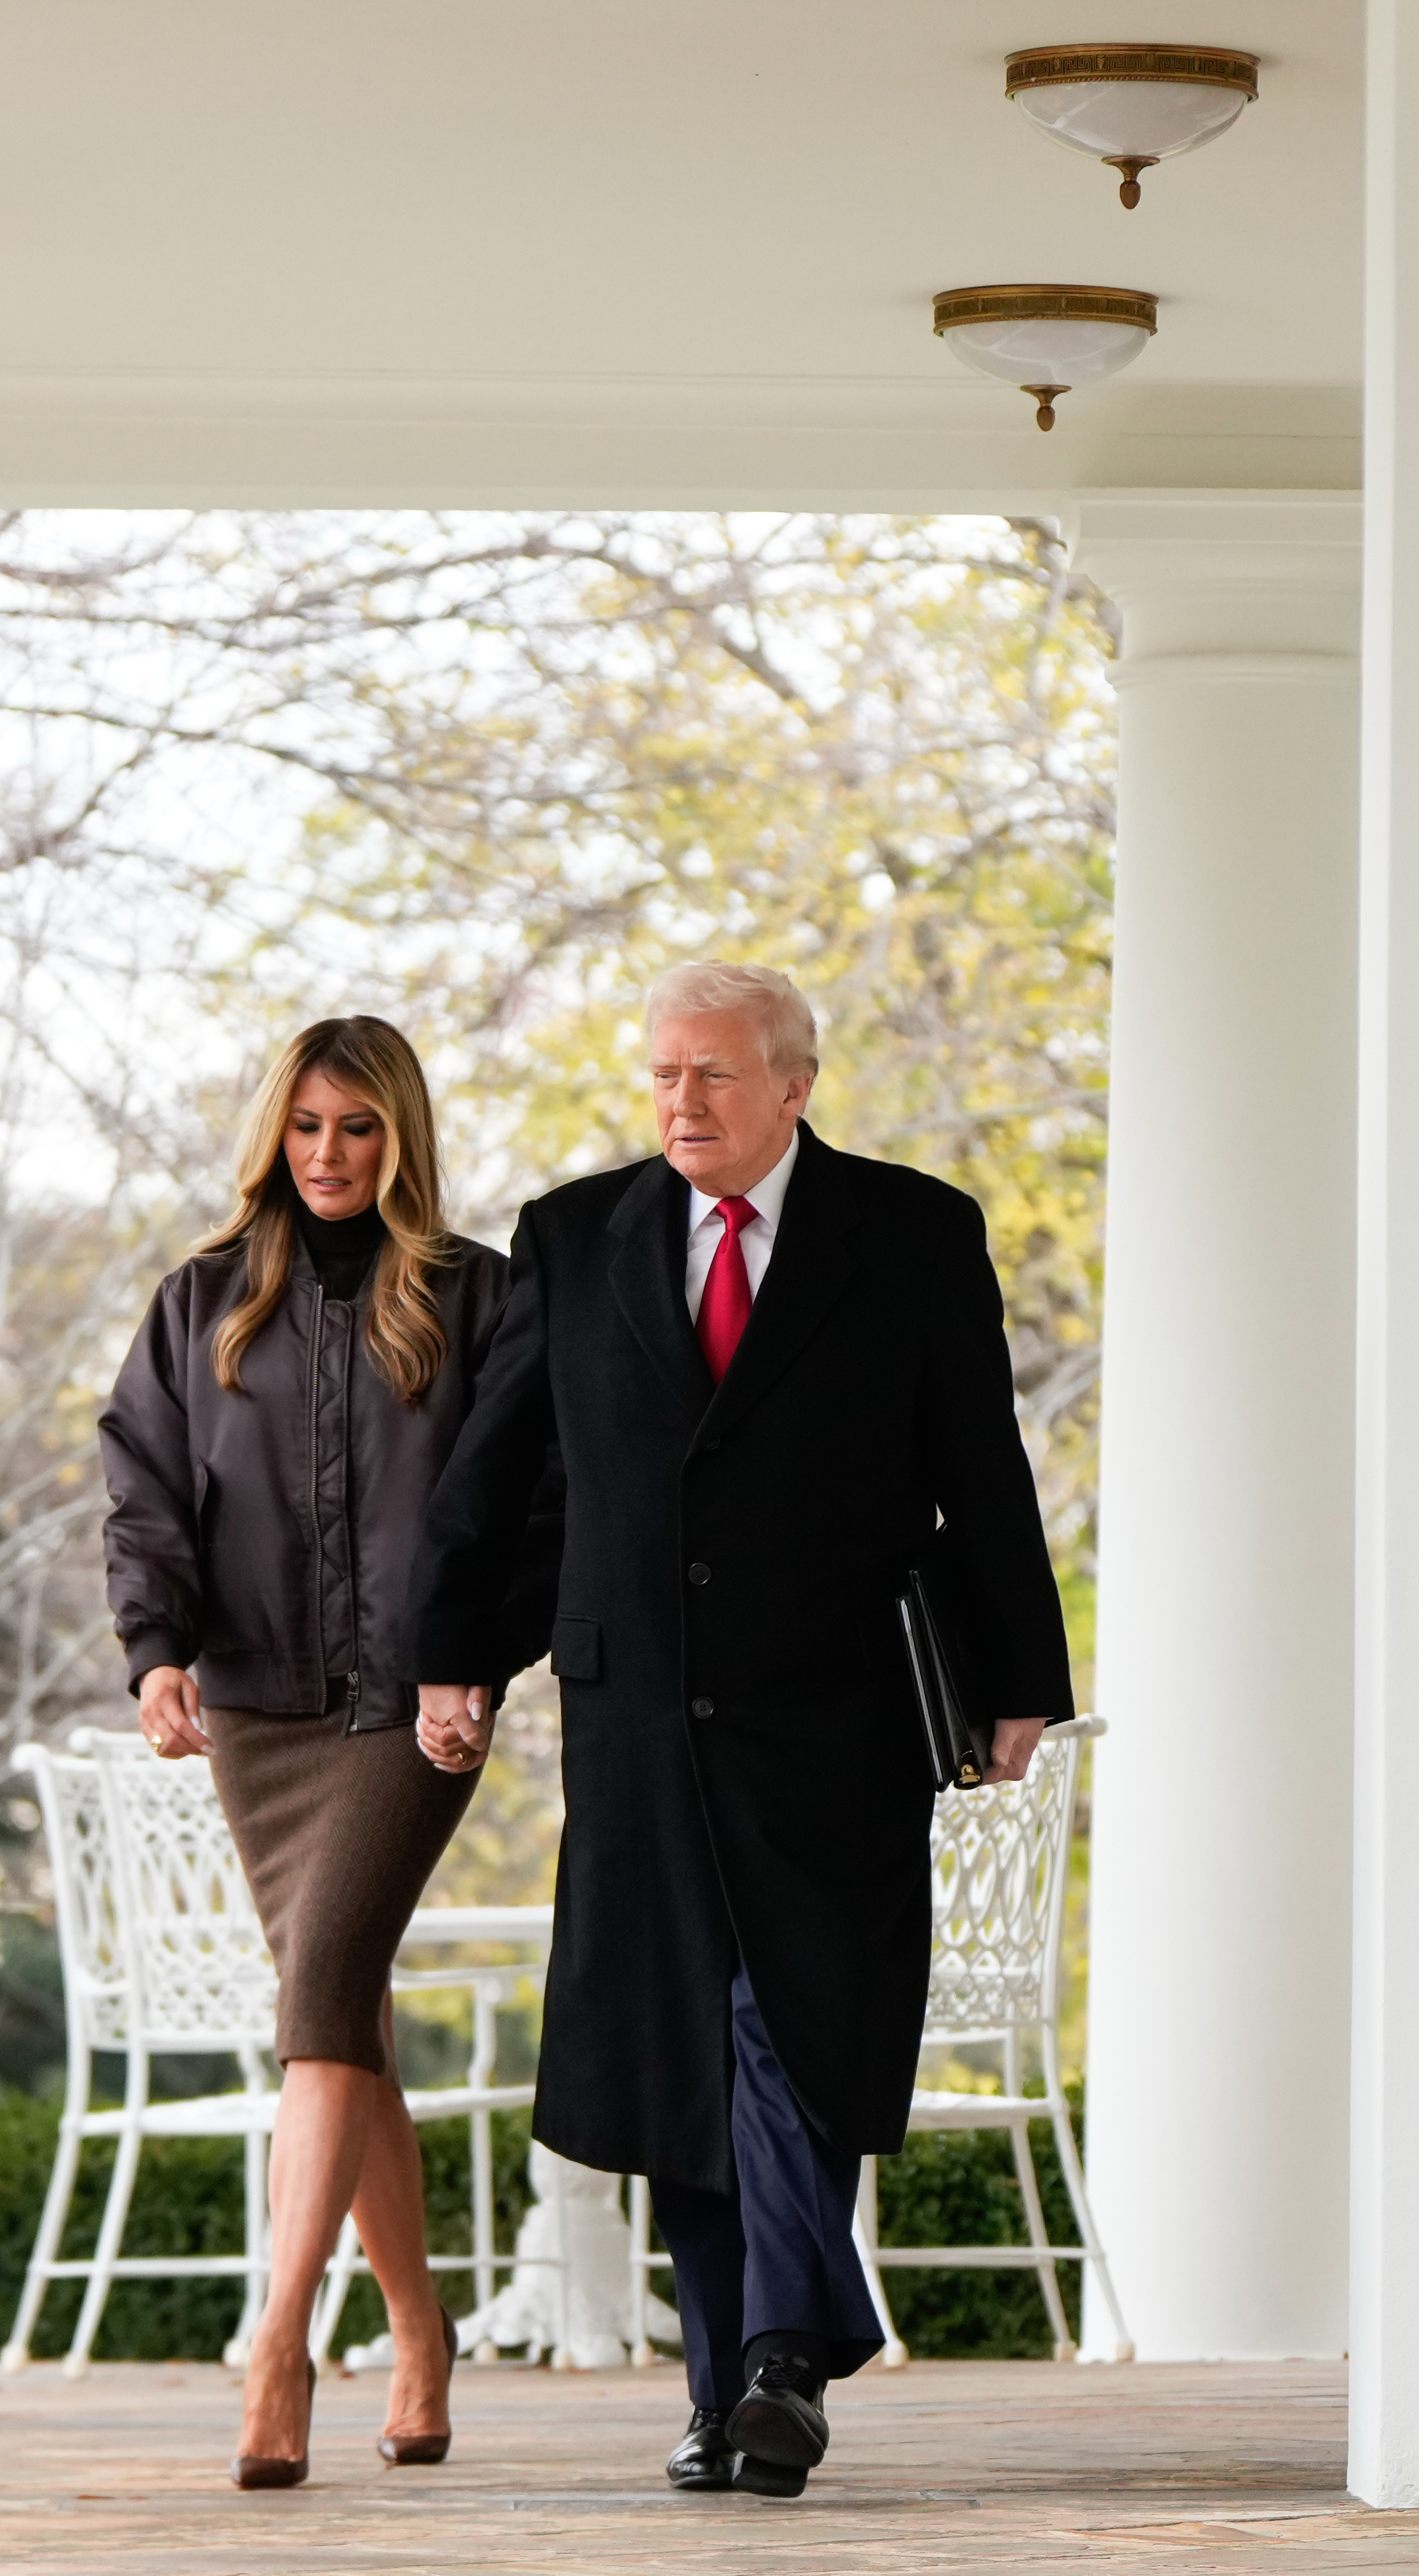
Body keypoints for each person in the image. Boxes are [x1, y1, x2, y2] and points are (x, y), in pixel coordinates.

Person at [411, 960, 1071, 2501]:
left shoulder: (913, 1234)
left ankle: (772, 2354)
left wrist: (1016, 1674)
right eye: (661, 1075)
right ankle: (742, 2389)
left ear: (796, 1081)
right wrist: (456, 1657)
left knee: (794, 2023)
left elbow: (982, 1461)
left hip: (835, 1707)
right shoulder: (573, 1238)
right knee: (690, 2046)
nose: (680, 1102)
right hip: (636, 1709)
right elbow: (499, 1470)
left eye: (712, 1074)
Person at [96, 1013, 549, 2491]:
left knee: (318, 1993)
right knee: (337, 2015)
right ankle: (422, 2335)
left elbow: (537, 1500)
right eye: (306, 1126)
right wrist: (155, 1647)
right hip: (257, 1708)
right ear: (274, 1137)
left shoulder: (482, 1298)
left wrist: (475, 1657)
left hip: (416, 1713)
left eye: (358, 1126)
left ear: (401, 1135)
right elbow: (147, 1484)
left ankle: (279, 2340)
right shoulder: (203, 1298)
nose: (330, 1154)